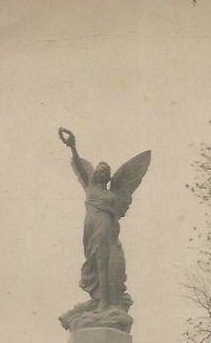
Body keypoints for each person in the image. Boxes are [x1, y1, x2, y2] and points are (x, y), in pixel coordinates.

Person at [58, 128, 150, 311]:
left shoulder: (113, 194)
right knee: (92, 261)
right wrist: (73, 147)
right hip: (89, 228)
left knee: (102, 262)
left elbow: (118, 209)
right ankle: (97, 297)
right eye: (98, 171)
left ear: (108, 176)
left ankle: (103, 302)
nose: (99, 173)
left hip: (104, 227)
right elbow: (78, 163)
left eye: (103, 172)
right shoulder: (90, 186)